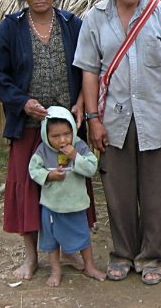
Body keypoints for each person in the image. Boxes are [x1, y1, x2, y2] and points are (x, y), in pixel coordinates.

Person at [74, 0, 161, 285]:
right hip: (113, 119)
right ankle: (122, 253)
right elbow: (90, 71)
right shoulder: (95, 18)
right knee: (118, 192)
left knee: (154, 192)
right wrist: (93, 118)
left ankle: (152, 257)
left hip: (155, 116)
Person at [0, 0, 96, 281]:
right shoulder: (11, 28)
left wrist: (80, 102)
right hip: (29, 126)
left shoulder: (71, 23)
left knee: (70, 182)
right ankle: (32, 257)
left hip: (65, 131)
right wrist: (22, 102)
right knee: (29, 186)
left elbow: (87, 67)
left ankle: (72, 248)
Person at [28, 106, 107, 286]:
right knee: (52, 241)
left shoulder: (79, 146)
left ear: (73, 129)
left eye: (66, 133)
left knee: (83, 237)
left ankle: (90, 266)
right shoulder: (43, 150)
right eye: (55, 136)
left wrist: (75, 157)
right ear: (46, 135)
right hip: (51, 206)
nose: (62, 140)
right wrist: (48, 176)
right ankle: (56, 270)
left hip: (75, 205)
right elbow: (33, 169)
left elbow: (91, 168)